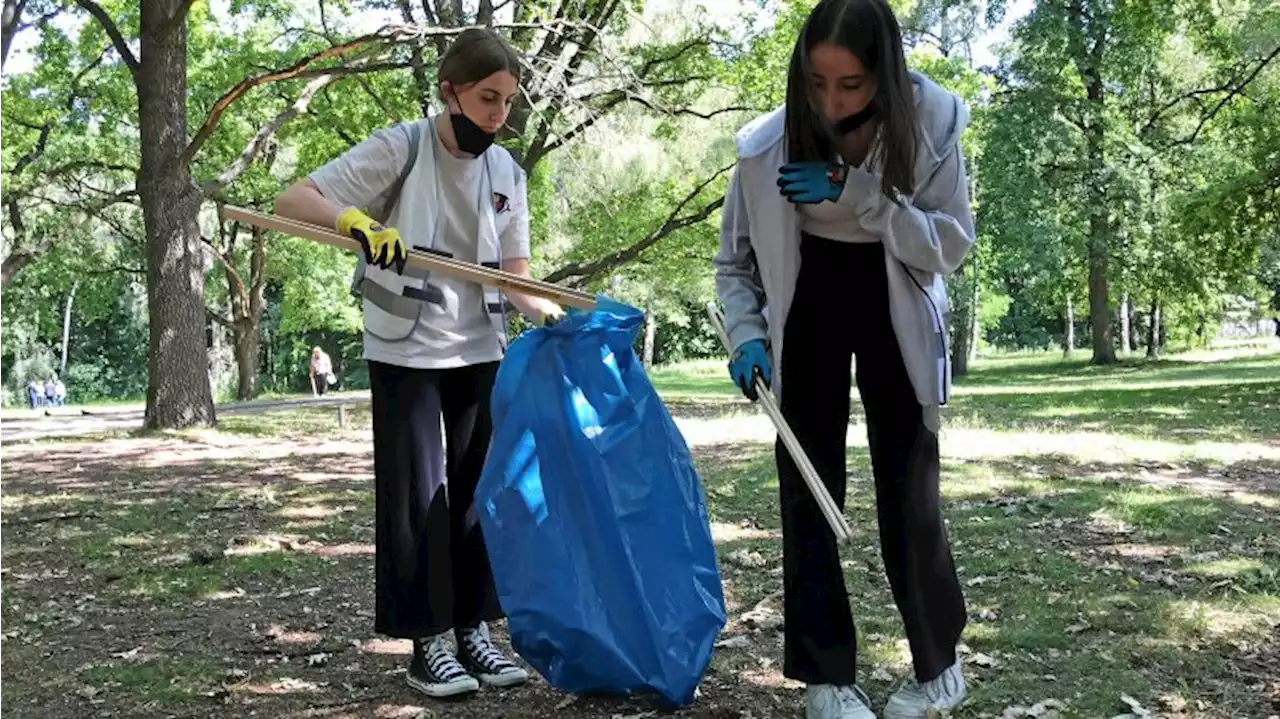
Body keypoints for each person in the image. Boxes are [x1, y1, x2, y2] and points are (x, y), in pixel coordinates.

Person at [273, 27, 564, 701]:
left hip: (478, 346)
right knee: (417, 496)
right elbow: (294, 200)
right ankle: (426, 640)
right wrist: (359, 226)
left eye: (507, 103)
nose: (498, 115)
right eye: (487, 98)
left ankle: (473, 630)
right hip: (405, 343)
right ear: (449, 91)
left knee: (473, 497)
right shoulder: (401, 148)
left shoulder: (506, 174)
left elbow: (516, 278)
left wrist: (557, 315)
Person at [712, 0, 975, 717]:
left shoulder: (935, 123)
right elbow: (734, 266)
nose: (831, 103)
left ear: (884, 73)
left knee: (908, 491)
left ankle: (938, 666)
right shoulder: (764, 146)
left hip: (896, 295)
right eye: (816, 82)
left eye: (852, 84)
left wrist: (860, 195)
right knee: (807, 487)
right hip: (808, 301)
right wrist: (747, 337)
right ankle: (826, 677)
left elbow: (949, 244)